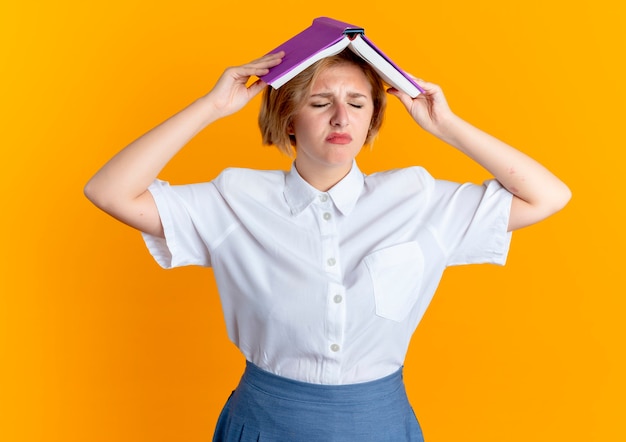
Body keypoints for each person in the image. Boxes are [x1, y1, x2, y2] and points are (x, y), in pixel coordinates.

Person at [84, 46, 571, 441]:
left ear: (373, 120)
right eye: (320, 102)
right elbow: (108, 191)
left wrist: (445, 126)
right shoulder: (234, 200)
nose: (341, 117)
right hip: (264, 423)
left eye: (357, 104)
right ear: (289, 119)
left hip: (380, 424)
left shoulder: (420, 199)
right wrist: (211, 107)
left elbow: (549, 196)